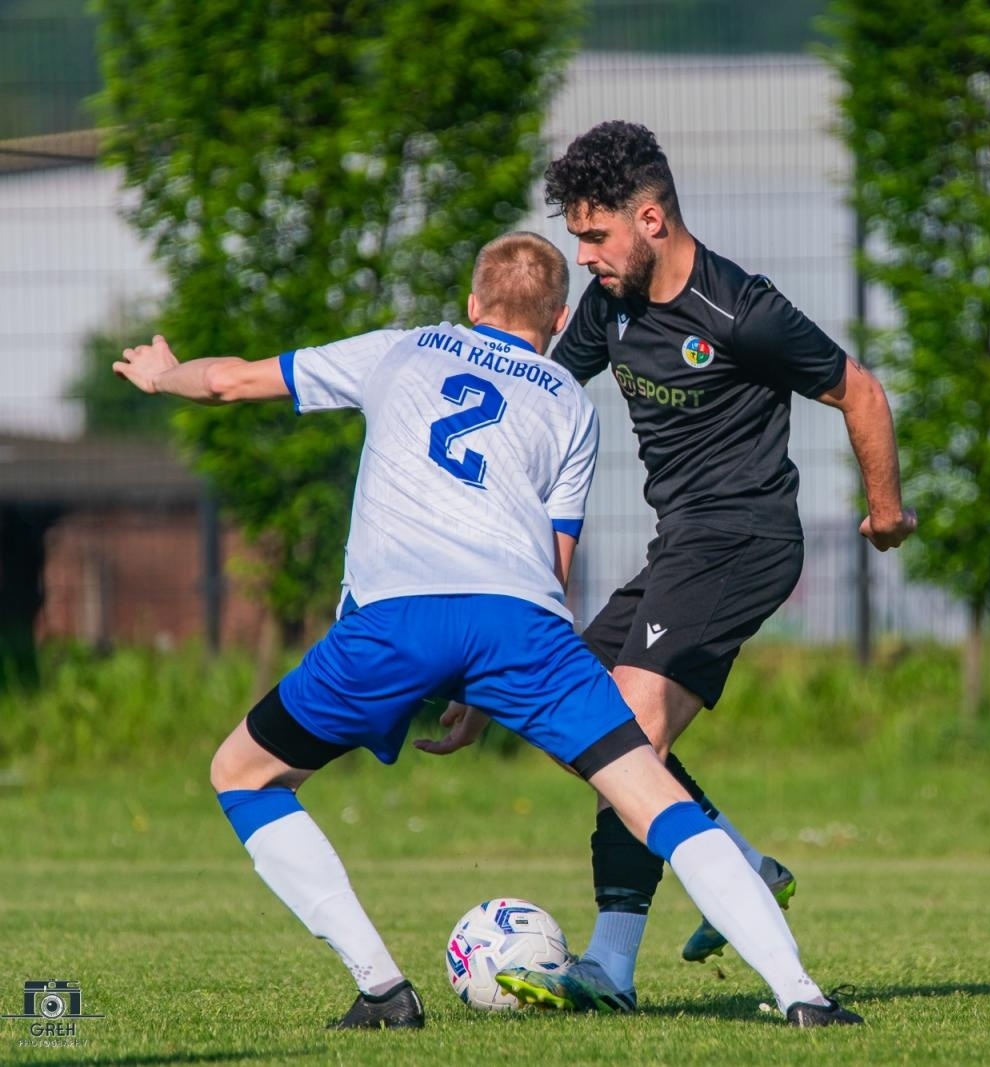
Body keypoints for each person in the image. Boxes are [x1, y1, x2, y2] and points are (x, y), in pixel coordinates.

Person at [111, 231, 862, 1029]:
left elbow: (228, 382)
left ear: (472, 305)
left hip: (393, 620)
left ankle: (383, 989)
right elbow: (555, 559)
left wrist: (164, 376)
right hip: (520, 626)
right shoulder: (569, 402)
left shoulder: (399, 351)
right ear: (559, 316)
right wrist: (488, 682)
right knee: (656, 798)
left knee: (244, 772)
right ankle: (802, 995)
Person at [510, 120, 916, 1013]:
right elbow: (539, 389)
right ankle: (741, 868)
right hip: (677, 544)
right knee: (571, 716)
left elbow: (861, 389)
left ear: (650, 218)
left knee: (632, 732)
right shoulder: (608, 306)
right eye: (576, 237)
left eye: (594, 235)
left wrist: (885, 512)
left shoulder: (743, 308)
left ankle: (610, 965)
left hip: (745, 539)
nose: (583, 257)